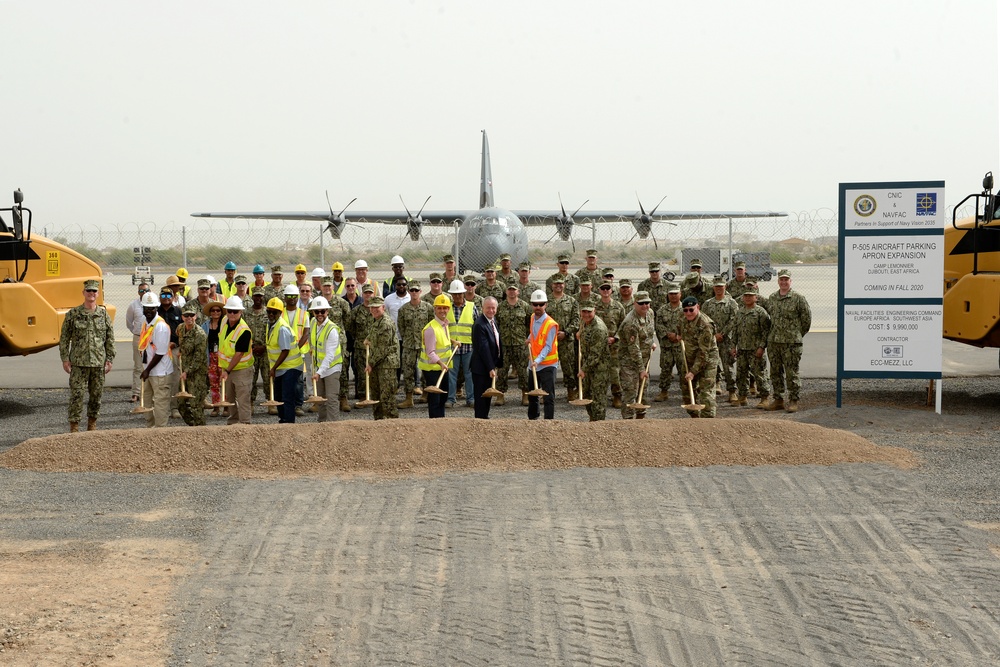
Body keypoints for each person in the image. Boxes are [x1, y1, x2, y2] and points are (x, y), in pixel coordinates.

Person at [59, 279, 115, 432]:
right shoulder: (73, 314)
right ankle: (74, 426)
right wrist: (65, 358)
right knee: (77, 395)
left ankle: (92, 424)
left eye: (94, 291)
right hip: (78, 363)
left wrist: (109, 358)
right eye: (88, 291)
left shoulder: (103, 314)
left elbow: (110, 338)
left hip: (98, 363)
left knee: (96, 396)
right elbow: (64, 338)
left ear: (98, 294)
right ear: (83, 293)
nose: (91, 293)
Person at [762, 269, 812, 413]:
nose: (783, 282)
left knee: (792, 372)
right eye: (781, 280)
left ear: (790, 281)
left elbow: (806, 320)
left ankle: (793, 400)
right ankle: (778, 399)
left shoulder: (798, 298)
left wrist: (797, 334)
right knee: (775, 372)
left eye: (786, 280)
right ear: (778, 281)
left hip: (791, 343)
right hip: (774, 342)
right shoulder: (772, 298)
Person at [678, 296, 719, 418]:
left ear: (698, 307)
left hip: (707, 359)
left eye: (691, 309)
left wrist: (693, 372)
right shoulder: (683, 320)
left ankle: (708, 420)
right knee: (686, 389)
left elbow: (703, 353)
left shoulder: (705, 324)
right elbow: (680, 331)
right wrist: (679, 336)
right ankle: (694, 418)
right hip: (690, 357)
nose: (688, 313)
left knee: (706, 391)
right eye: (685, 310)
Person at [618, 290, 656, 419]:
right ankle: (628, 421)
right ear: (635, 303)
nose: (645, 306)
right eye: (641, 303)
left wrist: (651, 343)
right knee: (630, 391)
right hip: (629, 361)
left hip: (644, 358)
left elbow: (649, 332)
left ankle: (641, 420)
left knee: (643, 389)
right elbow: (633, 348)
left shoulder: (650, 313)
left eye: (647, 303)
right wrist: (641, 369)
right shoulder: (631, 323)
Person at [138, 291, 174, 428]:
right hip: (148, 369)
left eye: (151, 308)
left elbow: (160, 353)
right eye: (146, 308)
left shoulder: (160, 327)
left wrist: (147, 370)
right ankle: (150, 430)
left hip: (159, 372)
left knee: (160, 404)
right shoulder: (145, 323)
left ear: (156, 308)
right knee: (146, 401)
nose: (148, 311)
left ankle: (160, 431)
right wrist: (145, 369)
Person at [733, 284, 772, 408]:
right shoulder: (740, 312)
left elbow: (766, 331)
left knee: (759, 374)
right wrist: (733, 346)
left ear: (756, 298)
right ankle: (742, 397)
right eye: (746, 296)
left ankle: (764, 398)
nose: (748, 298)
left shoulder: (760, 312)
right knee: (741, 374)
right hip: (742, 349)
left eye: (751, 296)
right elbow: (735, 330)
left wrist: (761, 347)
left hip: (755, 349)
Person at [701, 276, 739, 403]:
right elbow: (704, 321)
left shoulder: (732, 303)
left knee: (728, 367)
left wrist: (722, 333)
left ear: (725, 287)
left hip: (726, 339)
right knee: (712, 364)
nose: (718, 289)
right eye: (716, 286)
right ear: (713, 287)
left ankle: (732, 391)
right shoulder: (707, 304)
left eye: (721, 286)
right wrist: (714, 335)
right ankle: (715, 386)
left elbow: (734, 320)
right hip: (712, 340)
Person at [362, 295, 400, 420]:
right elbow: (374, 339)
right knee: (376, 395)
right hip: (378, 364)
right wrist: (368, 339)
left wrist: (370, 364)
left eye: (377, 307)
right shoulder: (377, 322)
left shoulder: (385, 323)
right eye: (372, 307)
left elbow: (383, 349)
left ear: (383, 307)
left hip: (386, 365)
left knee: (386, 396)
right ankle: (378, 423)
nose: (374, 310)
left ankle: (392, 422)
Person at [266, 296, 302, 423]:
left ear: (280, 313)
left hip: (290, 367)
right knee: (279, 396)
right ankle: (283, 420)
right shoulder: (271, 325)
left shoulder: (281, 328)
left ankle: (289, 422)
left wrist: (273, 368)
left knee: (287, 396)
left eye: (274, 312)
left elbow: (285, 350)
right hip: (282, 367)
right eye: (269, 311)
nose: (271, 314)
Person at [218, 296, 253, 424]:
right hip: (227, 369)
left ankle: (245, 424)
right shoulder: (223, 321)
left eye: (235, 311)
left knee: (243, 399)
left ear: (241, 312)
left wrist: (227, 370)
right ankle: (233, 422)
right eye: (229, 311)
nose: (232, 314)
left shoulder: (244, 331)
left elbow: (239, 354)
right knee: (230, 398)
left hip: (242, 369)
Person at [396, 281, 432, 409]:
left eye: (417, 290)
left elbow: (431, 325)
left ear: (420, 292)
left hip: (424, 344)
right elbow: (401, 327)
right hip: (409, 345)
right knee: (408, 371)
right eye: (412, 290)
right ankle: (409, 397)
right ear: (409, 292)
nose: (414, 293)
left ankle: (426, 393)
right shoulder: (403, 309)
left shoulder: (428, 308)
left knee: (426, 370)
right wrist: (407, 339)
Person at [418, 295, 454, 418]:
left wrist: (453, 341)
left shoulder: (444, 324)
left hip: (443, 368)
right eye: (439, 308)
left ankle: (441, 422)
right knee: (435, 400)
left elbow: (441, 341)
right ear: (435, 309)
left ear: (448, 309)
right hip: (433, 370)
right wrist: (441, 363)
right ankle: (434, 422)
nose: (442, 311)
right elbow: (430, 352)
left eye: (445, 308)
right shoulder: (431, 329)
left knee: (444, 396)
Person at [308, 296, 344, 423]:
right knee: (320, 399)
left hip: (332, 368)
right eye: (316, 311)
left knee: (331, 398)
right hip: (319, 367)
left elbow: (329, 355)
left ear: (327, 312)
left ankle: (333, 426)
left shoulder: (332, 329)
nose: (319, 314)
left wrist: (318, 373)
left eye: (322, 311)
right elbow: (313, 341)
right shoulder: (313, 323)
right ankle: (322, 424)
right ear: (313, 312)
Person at [496, 283, 532, 406]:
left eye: (514, 290)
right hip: (504, 344)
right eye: (509, 289)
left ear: (518, 291)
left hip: (520, 344)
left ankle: (525, 394)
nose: (511, 292)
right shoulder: (500, 307)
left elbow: (529, 324)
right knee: (502, 370)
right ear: (506, 291)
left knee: (522, 371)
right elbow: (496, 323)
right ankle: (500, 394)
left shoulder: (525, 306)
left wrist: (526, 339)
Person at [526, 289, 558, 420]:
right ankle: (533, 420)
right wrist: (529, 338)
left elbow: (548, 346)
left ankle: (548, 422)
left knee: (548, 396)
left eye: (541, 304)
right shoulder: (533, 318)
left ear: (546, 305)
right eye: (535, 304)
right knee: (532, 395)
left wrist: (537, 361)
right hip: (533, 364)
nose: (538, 307)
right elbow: (534, 334)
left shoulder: (550, 324)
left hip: (547, 366)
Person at [594, 280, 626, 408]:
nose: (606, 291)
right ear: (599, 291)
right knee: (599, 372)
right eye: (603, 289)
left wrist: (615, 338)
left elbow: (623, 326)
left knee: (614, 373)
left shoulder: (619, 307)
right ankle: (599, 397)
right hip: (598, 345)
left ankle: (617, 396)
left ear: (612, 291)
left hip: (614, 346)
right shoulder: (594, 307)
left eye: (608, 288)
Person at [176, 301, 209, 426]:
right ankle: (192, 427)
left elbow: (199, 358)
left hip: (196, 374)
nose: (189, 318)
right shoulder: (180, 328)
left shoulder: (199, 334)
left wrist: (187, 372)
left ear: (196, 316)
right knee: (181, 404)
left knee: (196, 406)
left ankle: (201, 430)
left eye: (192, 315)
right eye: (186, 316)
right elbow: (180, 339)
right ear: (182, 317)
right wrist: (180, 350)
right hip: (184, 371)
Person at [547, 276, 580, 400]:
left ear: (564, 285)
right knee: (548, 368)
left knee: (569, 368)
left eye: (560, 284)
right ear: (552, 285)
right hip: (550, 341)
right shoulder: (546, 301)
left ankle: (571, 391)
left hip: (566, 340)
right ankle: (547, 392)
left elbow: (576, 320)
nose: (558, 286)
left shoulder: (572, 301)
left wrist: (566, 332)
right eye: (556, 284)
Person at [446, 279, 477, 408]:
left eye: (459, 294)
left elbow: (476, 325)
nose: (457, 296)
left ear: (464, 294)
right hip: (452, 346)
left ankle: (471, 398)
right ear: (451, 295)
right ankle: (450, 399)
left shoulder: (471, 306)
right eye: (455, 294)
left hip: (468, 346)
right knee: (451, 374)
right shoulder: (447, 308)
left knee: (469, 374)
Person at [577, 303, 611, 421]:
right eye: (584, 311)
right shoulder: (584, 322)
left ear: (594, 311)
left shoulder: (599, 328)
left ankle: (599, 423)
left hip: (599, 368)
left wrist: (583, 370)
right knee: (587, 395)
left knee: (598, 398)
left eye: (589, 312)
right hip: (588, 366)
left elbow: (595, 355)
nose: (586, 314)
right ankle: (592, 419)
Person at [471, 296, 502, 419]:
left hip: (489, 366)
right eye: (488, 308)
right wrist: (490, 368)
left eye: (493, 308)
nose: (491, 310)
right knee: (481, 396)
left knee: (487, 395)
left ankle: (485, 417)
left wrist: (497, 363)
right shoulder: (480, 324)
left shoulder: (493, 321)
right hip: (481, 368)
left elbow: (497, 342)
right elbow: (483, 348)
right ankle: (480, 420)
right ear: (483, 308)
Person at [654, 282, 684, 402]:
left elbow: (689, 325)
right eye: (671, 294)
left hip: (680, 345)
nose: (673, 296)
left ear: (680, 294)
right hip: (667, 345)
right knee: (665, 369)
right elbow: (658, 324)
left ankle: (686, 392)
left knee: (683, 369)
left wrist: (678, 336)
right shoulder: (662, 310)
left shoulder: (685, 310)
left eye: (675, 294)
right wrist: (667, 334)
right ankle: (664, 392)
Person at [246, 287, 271, 408]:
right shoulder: (246, 313)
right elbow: (243, 332)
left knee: (268, 377)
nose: (258, 298)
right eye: (256, 296)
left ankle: (271, 401)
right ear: (252, 297)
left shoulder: (269, 313)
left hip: (266, 350)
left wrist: (265, 347)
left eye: (260, 296)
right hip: (251, 350)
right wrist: (251, 346)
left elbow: (272, 332)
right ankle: (250, 403)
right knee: (251, 378)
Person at [125, 282, 149, 402]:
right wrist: (136, 332)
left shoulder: (154, 303)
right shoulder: (133, 305)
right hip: (138, 337)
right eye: (141, 291)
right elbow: (129, 322)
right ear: (138, 292)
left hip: (151, 339)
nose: (143, 293)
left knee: (151, 365)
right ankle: (136, 392)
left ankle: (150, 392)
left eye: (145, 290)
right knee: (138, 366)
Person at [202, 300, 224, 415]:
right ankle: (216, 406)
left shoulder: (225, 324)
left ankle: (226, 406)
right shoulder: (205, 325)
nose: (215, 312)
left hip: (222, 356)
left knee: (224, 380)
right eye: (213, 310)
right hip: (210, 355)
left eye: (218, 310)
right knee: (213, 383)